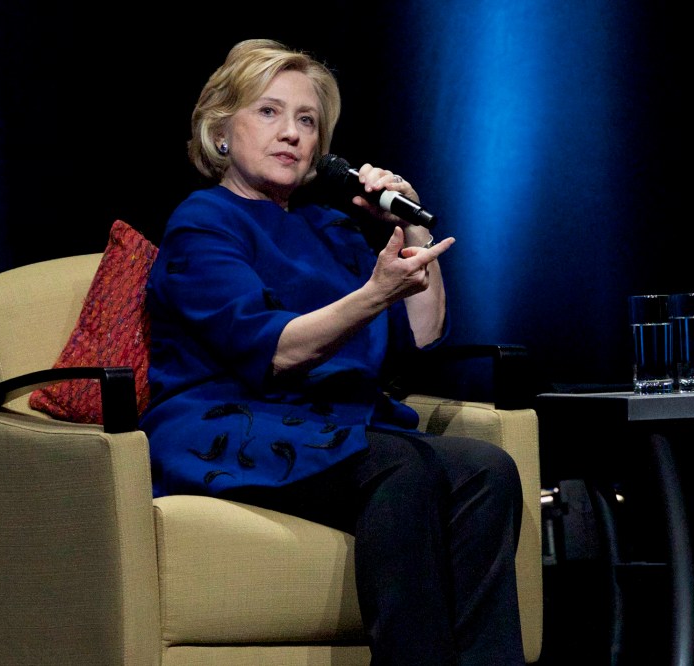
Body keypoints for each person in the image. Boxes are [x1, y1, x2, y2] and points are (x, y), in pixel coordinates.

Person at [140, 38, 525, 665]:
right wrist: (374, 294)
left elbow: (422, 335)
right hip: (228, 423)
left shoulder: (333, 229)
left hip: (331, 422)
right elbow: (275, 351)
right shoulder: (203, 222)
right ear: (220, 132)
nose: (290, 133)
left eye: (307, 120)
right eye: (268, 112)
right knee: (401, 466)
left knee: (486, 469)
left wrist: (414, 226)